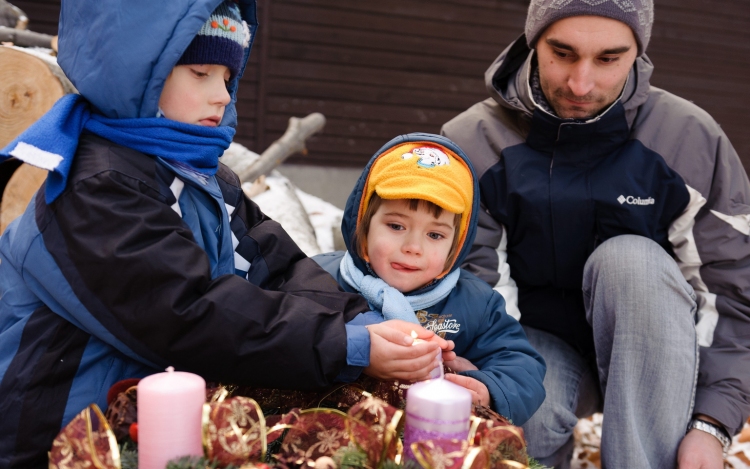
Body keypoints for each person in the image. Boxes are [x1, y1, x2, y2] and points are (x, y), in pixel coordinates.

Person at [0, 2, 448, 466]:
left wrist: (365, 324)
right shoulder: (97, 187)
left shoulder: (201, 175)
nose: (222, 95)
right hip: (61, 435)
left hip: (149, 428)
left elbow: (280, 270)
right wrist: (346, 345)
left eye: (227, 77)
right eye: (200, 73)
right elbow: (189, 313)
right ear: (137, 76)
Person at [442, 1, 750, 468]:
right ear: (533, 42)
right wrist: (496, 379)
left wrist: (710, 422)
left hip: (657, 357)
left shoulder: (687, 138)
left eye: (609, 58)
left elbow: (730, 294)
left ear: (638, 53)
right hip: (536, 349)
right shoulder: (476, 141)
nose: (580, 84)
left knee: (631, 259)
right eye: (562, 53)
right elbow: (472, 288)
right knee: (533, 413)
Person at [313, 133, 546, 422]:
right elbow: (287, 336)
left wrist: (487, 387)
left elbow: (520, 365)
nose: (413, 247)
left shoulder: (476, 303)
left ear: (457, 244)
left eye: (435, 234)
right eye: (396, 226)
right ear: (363, 223)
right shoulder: (318, 280)